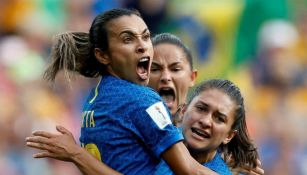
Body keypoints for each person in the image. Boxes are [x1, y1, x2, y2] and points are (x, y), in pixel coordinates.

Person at [26, 8, 216, 175]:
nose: (143, 46)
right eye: (128, 39)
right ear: (102, 55)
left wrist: (77, 154)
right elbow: (190, 171)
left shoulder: (93, 99)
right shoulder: (142, 100)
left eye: (146, 36)